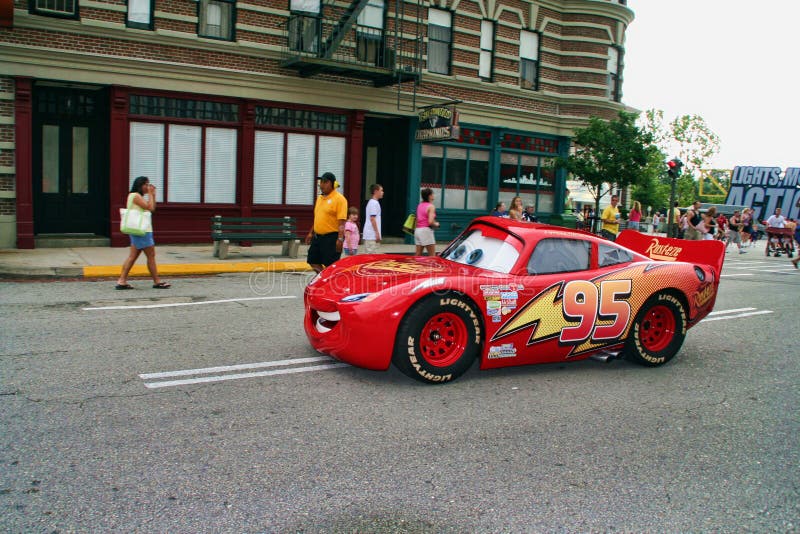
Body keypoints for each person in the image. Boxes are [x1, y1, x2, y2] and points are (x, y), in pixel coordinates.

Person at [116, 176, 170, 290]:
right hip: (142, 231)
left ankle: (122, 281)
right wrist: (151, 194)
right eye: (146, 184)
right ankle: (157, 281)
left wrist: (153, 195)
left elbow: (152, 208)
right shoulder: (135, 196)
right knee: (151, 256)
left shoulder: (137, 196)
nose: (148, 186)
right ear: (140, 185)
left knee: (133, 256)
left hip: (139, 230)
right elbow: (150, 208)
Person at [305, 172, 348, 274]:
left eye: (325, 182)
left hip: (332, 238)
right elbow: (318, 217)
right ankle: (325, 278)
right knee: (312, 261)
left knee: (331, 265)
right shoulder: (320, 198)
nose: (321, 185)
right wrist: (311, 233)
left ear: (332, 184)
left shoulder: (340, 199)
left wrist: (340, 239)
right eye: (321, 182)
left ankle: (330, 282)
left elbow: (342, 222)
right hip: (318, 237)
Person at [415, 188, 439, 256]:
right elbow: (430, 221)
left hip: (418, 230)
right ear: (429, 196)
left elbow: (418, 219)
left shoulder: (420, 205)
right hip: (426, 231)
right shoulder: (431, 206)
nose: (434, 195)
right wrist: (436, 224)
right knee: (432, 256)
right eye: (432, 194)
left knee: (418, 255)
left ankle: (414, 266)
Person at [362, 183, 383, 254]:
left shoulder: (372, 202)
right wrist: (377, 233)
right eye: (381, 190)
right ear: (376, 191)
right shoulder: (374, 203)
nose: (382, 192)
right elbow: (372, 219)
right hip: (371, 235)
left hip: (370, 234)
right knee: (371, 256)